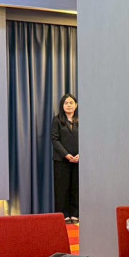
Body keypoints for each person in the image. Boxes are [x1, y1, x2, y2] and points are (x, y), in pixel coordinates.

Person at [51, 94, 79, 224]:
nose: (69, 105)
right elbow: (55, 139)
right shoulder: (57, 120)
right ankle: (63, 214)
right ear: (62, 106)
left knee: (76, 188)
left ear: (76, 105)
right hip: (62, 160)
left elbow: (87, 138)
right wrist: (66, 155)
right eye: (66, 103)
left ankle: (75, 213)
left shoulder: (81, 120)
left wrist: (81, 155)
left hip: (78, 160)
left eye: (71, 102)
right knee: (62, 188)